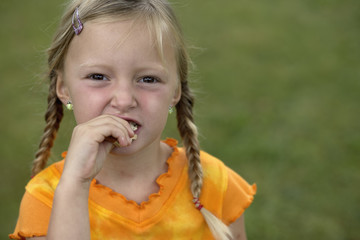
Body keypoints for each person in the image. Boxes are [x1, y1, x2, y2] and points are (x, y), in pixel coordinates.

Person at [9, 0, 256, 239]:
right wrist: (75, 186)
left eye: (148, 79)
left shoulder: (216, 186)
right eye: (98, 76)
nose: (124, 99)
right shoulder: (46, 200)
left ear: (175, 92)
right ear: (63, 88)